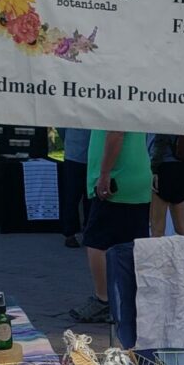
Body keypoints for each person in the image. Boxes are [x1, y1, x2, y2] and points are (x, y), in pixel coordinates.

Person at [70, 131, 150, 323]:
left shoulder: (115, 111)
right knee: (130, 246)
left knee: (97, 242)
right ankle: (127, 302)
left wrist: (105, 173)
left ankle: (104, 300)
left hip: (116, 182)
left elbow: (116, 134)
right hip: (134, 179)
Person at [148, 132, 184, 237]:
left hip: (163, 167)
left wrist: (154, 169)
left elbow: (160, 140)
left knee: (157, 228)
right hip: (182, 167)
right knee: (181, 226)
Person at [58, 127, 91, 248]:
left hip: (92, 157)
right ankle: (70, 234)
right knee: (71, 197)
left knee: (91, 197)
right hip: (73, 157)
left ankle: (89, 231)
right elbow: (60, 127)